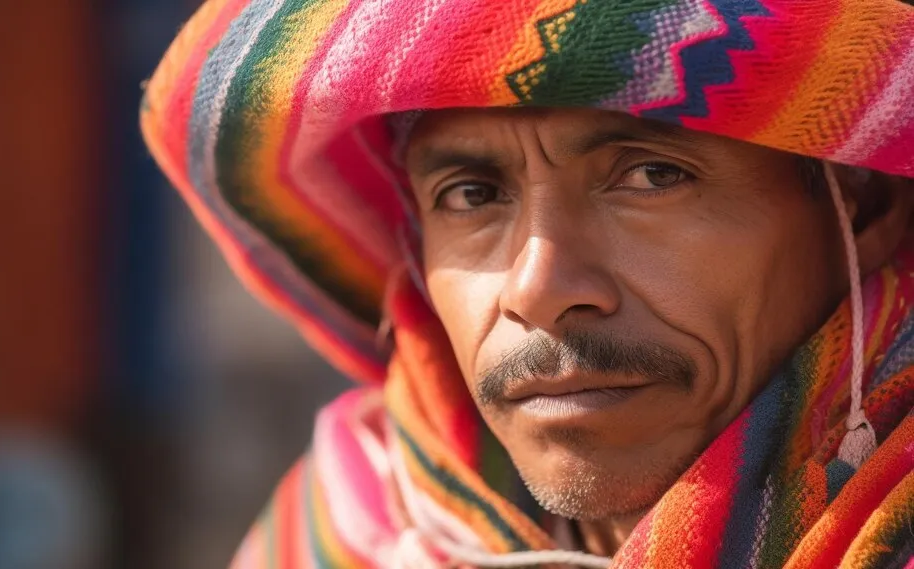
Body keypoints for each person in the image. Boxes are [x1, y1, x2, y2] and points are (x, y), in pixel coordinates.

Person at [140, 0, 914, 566]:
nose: (538, 288)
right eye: (472, 195)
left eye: (650, 176)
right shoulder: (343, 528)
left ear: (866, 202)